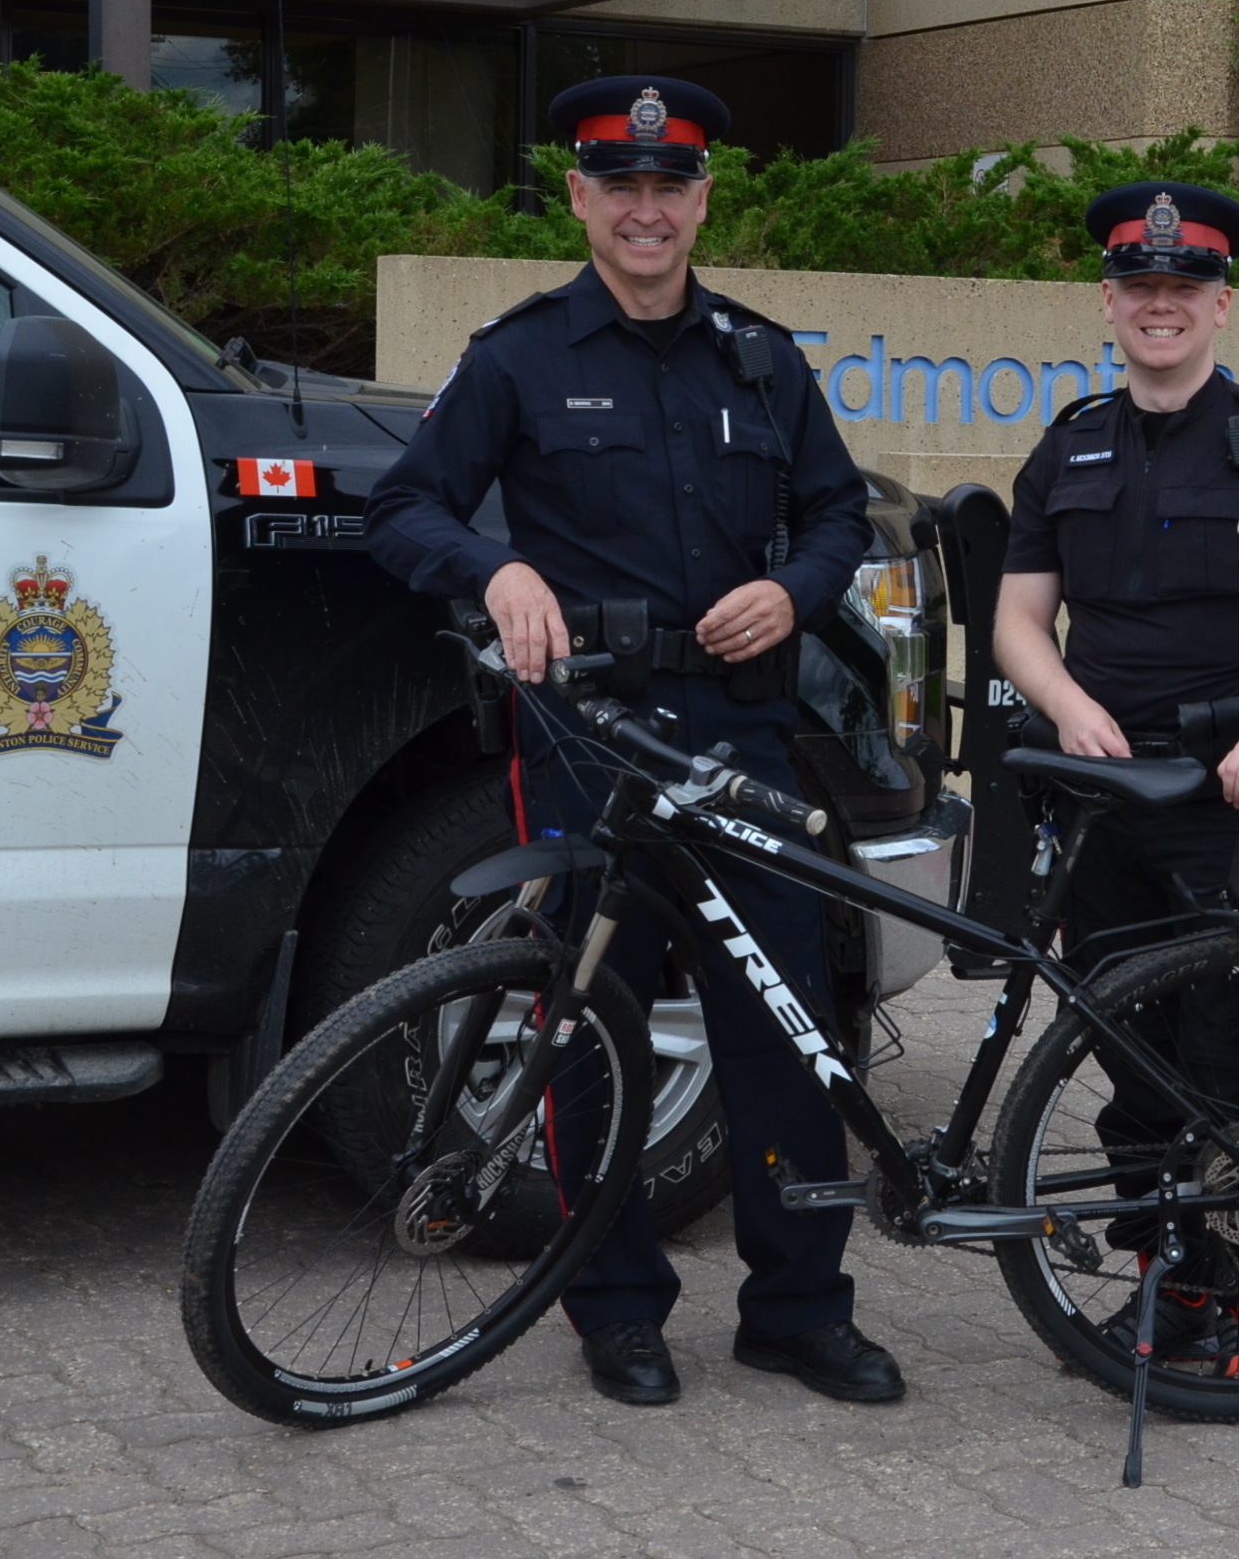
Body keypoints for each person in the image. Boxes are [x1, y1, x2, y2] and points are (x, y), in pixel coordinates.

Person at [363, 75, 904, 1410]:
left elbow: (842, 512)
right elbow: (404, 508)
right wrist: (495, 571)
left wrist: (795, 587)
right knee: (593, 1021)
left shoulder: (763, 360)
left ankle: (796, 1309)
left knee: (781, 1023)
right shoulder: (520, 356)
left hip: (741, 737)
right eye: (622, 186)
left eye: (671, 187)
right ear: (581, 199)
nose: (647, 209)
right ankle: (613, 1310)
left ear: (702, 199)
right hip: (589, 737)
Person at [990, 181, 1239, 1380]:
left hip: (1233, 799)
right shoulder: (1069, 442)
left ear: (1221, 305)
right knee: (1121, 1040)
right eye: (1140, 288)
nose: (1162, 306)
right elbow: (1015, 620)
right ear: (1109, 302)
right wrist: (1067, 704)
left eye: (1185, 289)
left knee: (1227, 1052)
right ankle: (1166, 1278)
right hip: (1104, 796)